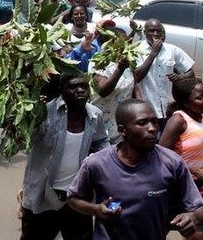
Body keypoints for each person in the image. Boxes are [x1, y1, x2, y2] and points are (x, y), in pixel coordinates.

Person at [67, 99, 203, 240]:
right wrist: (97, 210)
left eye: (155, 122)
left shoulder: (172, 162)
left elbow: (195, 207)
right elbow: (73, 198)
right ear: (122, 130)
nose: (152, 128)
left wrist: (188, 219)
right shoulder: (97, 163)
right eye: (142, 123)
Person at [20, 73, 109, 240]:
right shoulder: (44, 114)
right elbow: (16, 143)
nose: (80, 90)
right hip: (43, 196)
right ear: (61, 90)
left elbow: (102, 141)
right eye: (73, 87)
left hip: (77, 199)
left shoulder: (95, 115)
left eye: (84, 86)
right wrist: (21, 124)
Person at [134, 18, 194, 130]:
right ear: (145, 32)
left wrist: (180, 77)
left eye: (158, 31)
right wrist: (153, 53)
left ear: (163, 33)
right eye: (151, 31)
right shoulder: (137, 50)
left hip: (169, 108)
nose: (155, 34)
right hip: (148, 109)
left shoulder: (172, 50)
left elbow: (191, 72)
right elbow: (136, 77)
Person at [160, 78, 203, 195]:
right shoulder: (178, 120)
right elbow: (161, 156)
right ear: (185, 102)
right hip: (185, 183)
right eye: (199, 98)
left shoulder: (201, 117)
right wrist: (192, 170)